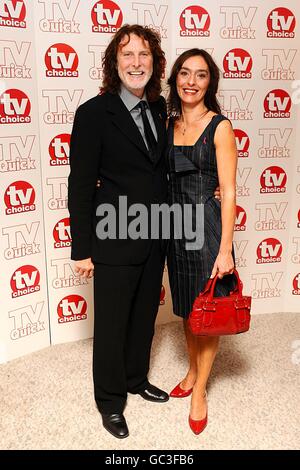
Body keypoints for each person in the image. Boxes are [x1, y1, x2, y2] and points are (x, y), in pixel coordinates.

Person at [68, 24, 169, 439]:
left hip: (156, 235)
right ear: (114, 63)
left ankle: (135, 378)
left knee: (144, 316)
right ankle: (110, 401)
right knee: (110, 324)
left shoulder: (162, 109)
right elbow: (80, 183)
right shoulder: (94, 113)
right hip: (113, 237)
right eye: (127, 55)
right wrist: (81, 249)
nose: (136, 62)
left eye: (144, 54)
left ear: (155, 63)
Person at [166, 49, 237, 435]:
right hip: (174, 228)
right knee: (186, 309)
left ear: (211, 83)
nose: (191, 82)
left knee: (206, 313)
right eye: (185, 73)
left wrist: (225, 249)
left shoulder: (219, 126)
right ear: (175, 78)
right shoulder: (167, 123)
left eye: (201, 75)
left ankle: (200, 392)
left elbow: (227, 190)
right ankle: (193, 371)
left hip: (207, 229)